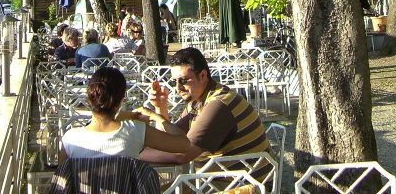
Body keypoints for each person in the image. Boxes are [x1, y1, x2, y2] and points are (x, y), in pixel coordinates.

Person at [139, 46, 269, 167]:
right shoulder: (199, 100)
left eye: (183, 80)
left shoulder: (219, 104)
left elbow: (181, 155)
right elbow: (171, 142)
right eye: (174, 82)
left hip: (242, 186)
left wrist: (133, 153)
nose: (178, 87)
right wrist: (160, 107)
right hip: (216, 179)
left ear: (202, 75)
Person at [60, 67, 194, 161]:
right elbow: (185, 145)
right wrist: (156, 116)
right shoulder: (134, 131)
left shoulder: (70, 139)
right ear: (121, 100)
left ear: (90, 98)